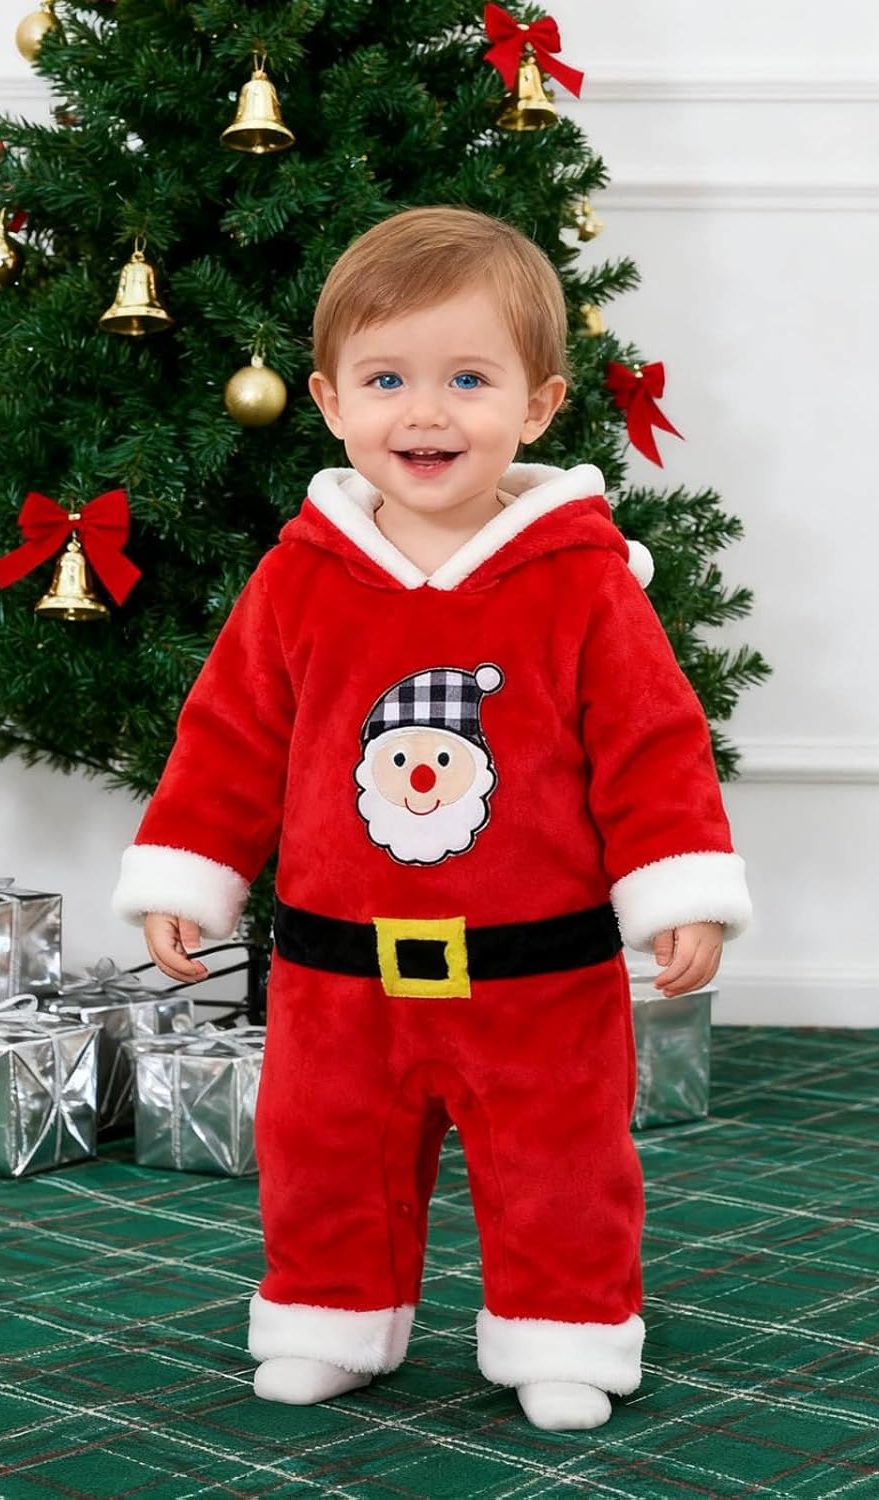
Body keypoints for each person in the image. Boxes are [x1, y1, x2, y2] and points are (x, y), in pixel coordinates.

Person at [113, 205, 751, 1431]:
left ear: (540, 404)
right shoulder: (300, 577)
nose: (426, 412)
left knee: (560, 1164)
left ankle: (564, 1331)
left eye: (468, 379)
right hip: (338, 974)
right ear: (328, 400)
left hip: (538, 975)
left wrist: (679, 888)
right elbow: (230, 737)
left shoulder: (582, 581)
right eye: (387, 379)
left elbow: (652, 745)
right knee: (323, 1155)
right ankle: (331, 1315)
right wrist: (190, 875)